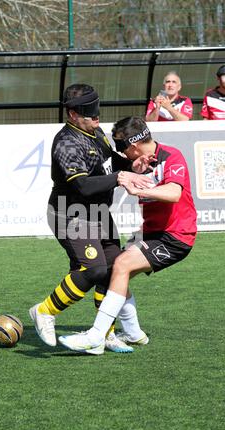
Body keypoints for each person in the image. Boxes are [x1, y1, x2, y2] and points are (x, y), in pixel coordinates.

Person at [58, 116, 197, 354]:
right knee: (114, 269)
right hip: (152, 233)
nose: (120, 154)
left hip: (175, 237)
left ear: (133, 146)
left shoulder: (171, 157)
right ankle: (133, 333)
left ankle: (95, 337)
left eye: (122, 148)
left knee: (121, 265)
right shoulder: (141, 163)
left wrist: (136, 188)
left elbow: (174, 192)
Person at [29, 85, 151, 354]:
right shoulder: (65, 143)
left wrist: (132, 167)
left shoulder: (95, 131)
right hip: (69, 213)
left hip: (98, 213)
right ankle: (43, 311)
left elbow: (110, 163)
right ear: (72, 114)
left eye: (97, 109)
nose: (96, 116)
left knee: (114, 267)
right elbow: (82, 186)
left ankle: (104, 334)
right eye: (89, 112)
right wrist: (120, 178)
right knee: (93, 269)